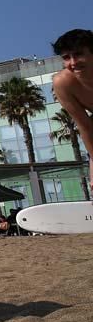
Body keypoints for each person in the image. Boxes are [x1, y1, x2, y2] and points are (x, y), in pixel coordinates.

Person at [51, 29, 93, 197]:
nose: (73, 62)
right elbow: (85, 127)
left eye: (78, 54)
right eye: (66, 58)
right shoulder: (63, 83)